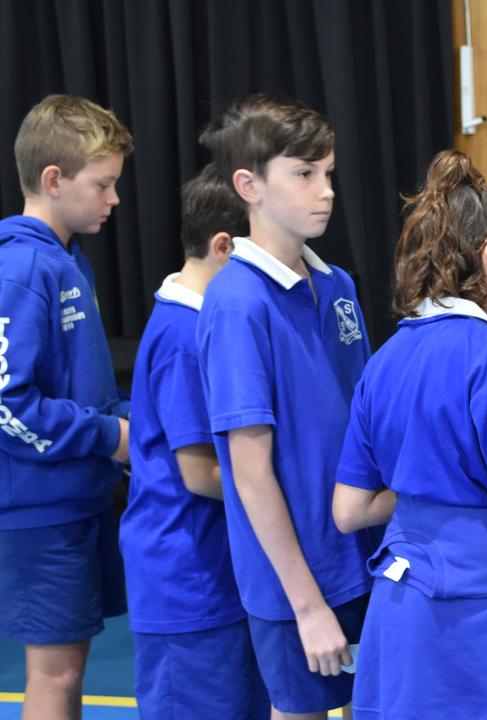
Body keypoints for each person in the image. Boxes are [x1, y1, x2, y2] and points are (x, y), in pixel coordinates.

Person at [332, 149, 487, 719]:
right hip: (470, 619)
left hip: (397, 608)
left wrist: (432, 485)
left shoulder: (384, 360)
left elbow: (349, 509)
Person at [196, 94, 373, 720]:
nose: (324, 190)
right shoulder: (238, 303)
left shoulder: (339, 286)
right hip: (297, 582)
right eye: (304, 174)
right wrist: (306, 604)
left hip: (364, 556)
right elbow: (249, 473)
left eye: (327, 173)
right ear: (250, 185)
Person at [118, 164, 270, 719]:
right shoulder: (185, 336)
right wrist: (289, 496)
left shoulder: (205, 321)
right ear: (225, 247)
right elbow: (198, 473)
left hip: (220, 577)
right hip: (188, 586)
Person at [0, 94, 132, 720]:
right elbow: (8, 404)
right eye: (102, 185)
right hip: (37, 512)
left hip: (75, 500)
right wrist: (111, 436)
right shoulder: (21, 267)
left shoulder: (64, 260)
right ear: (54, 181)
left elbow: (79, 388)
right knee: (54, 674)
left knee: (70, 668)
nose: (112, 200)